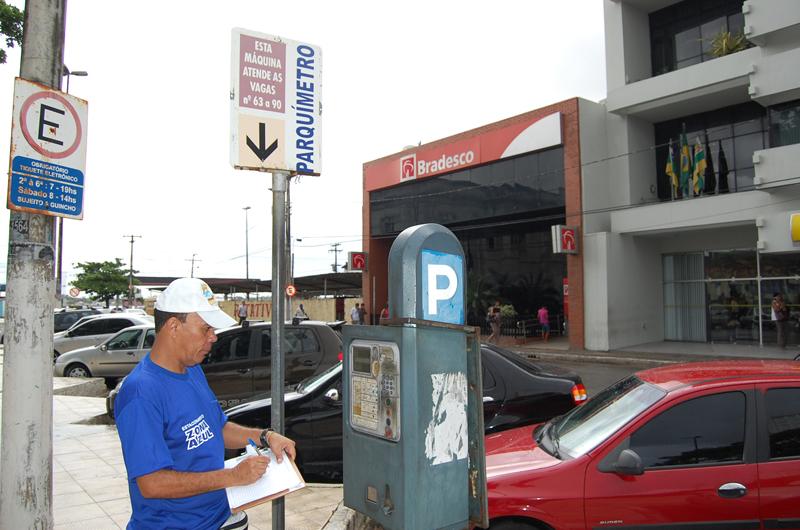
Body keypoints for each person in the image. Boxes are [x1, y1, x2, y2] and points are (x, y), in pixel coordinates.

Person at [114, 278, 296, 530]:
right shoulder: (140, 393)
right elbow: (152, 483)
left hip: (219, 517)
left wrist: (265, 437)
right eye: (206, 328)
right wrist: (233, 476)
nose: (213, 337)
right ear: (174, 326)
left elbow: (217, 428)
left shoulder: (192, 370)